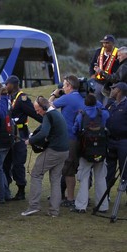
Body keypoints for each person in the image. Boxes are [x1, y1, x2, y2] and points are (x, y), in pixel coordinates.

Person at [21, 96, 69, 217]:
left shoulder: (49, 115)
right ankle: (54, 211)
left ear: (44, 107)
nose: (37, 113)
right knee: (56, 179)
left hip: (55, 150)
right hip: (64, 151)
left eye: (38, 110)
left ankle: (34, 206)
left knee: (36, 173)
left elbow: (44, 132)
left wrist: (30, 141)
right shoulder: (55, 114)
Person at [49, 75, 85, 207]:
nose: (62, 87)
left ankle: (70, 198)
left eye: (64, 85)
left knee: (68, 170)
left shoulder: (67, 97)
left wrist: (54, 94)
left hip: (69, 137)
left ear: (69, 86)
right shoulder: (81, 97)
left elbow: (48, 107)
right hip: (78, 138)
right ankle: (66, 196)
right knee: (70, 168)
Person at [5, 75, 43, 201]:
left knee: (18, 162)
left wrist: (46, 123)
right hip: (10, 133)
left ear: (13, 84)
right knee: (7, 162)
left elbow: (35, 114)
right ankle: (6, 189)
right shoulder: (9, 97)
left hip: (20, 133)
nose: (6, 86)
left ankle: (21, 190)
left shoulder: (22, 99)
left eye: (7, 84)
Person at [71, 94, 110, 213]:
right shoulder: (102, 114)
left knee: (84, 177)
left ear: (85, 103)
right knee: (101, 177)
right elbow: (107, 115)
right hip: (100, 150)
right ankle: (103, 205)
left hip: (86, 151)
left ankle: (81, 206)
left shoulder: (81, 115)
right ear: (95, 103)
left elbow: (75, 130)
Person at [105, 82, 127, 186]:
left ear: (118, 91)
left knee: (125, 170)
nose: (111, 91)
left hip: (123, 141)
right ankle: (106, 197)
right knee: (109, 170)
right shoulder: (111, 104)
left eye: (113, 89)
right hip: (110, 140)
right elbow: (104, 113)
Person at [90, 35, 120, 104]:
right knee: (97, 104)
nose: (105, 45)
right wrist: (92, 74)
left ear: (113, 43)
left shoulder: (118, 53)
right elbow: (92, 64)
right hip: (98, 82)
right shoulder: (98, 51)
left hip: (110, 85)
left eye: (107, 43)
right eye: (103, 43)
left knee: (106, 105)